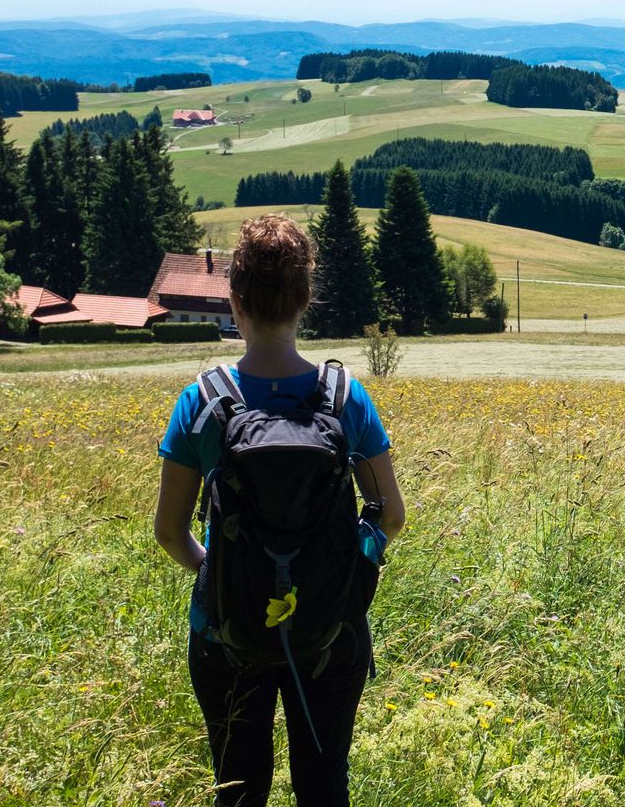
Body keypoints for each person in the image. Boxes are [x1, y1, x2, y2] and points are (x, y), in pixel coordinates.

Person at [153, 213, 404, 805]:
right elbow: (390, 516)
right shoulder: (345, 398)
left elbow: (169, 532)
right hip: (330, 629)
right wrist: (344, 566)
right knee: (322, 785)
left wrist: (224, 573)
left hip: (225, 630)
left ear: (234, 302)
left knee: (239, 791)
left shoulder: (202, 401)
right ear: (305, 300)